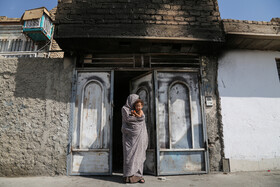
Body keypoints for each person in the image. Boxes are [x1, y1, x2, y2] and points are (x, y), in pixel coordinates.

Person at [121, 94, 148, 183]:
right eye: (134, 100)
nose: (136, 103)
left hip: (139, 136)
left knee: (139, 155)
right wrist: (138, 118)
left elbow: (141, 118)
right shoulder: (125, 109)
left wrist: (139, 117)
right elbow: (128, 119)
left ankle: (139, 176)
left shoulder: (138, 110)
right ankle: (128, 176)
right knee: (129, 155)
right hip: (129, 137)